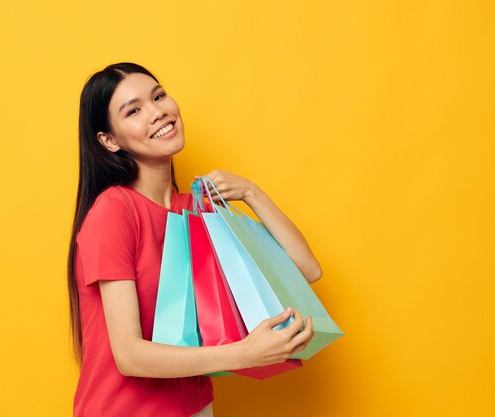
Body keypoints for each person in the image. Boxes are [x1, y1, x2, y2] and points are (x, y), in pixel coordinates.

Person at [67, 62, 322, 417]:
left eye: (158, 96)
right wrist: (246, 353)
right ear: (109, 140)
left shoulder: (198, 211)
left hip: (195, 407)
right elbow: (128, 354)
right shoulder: (114, 211)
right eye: (134, 110)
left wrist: (252, 192)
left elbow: (305, 269)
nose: (157, 112)